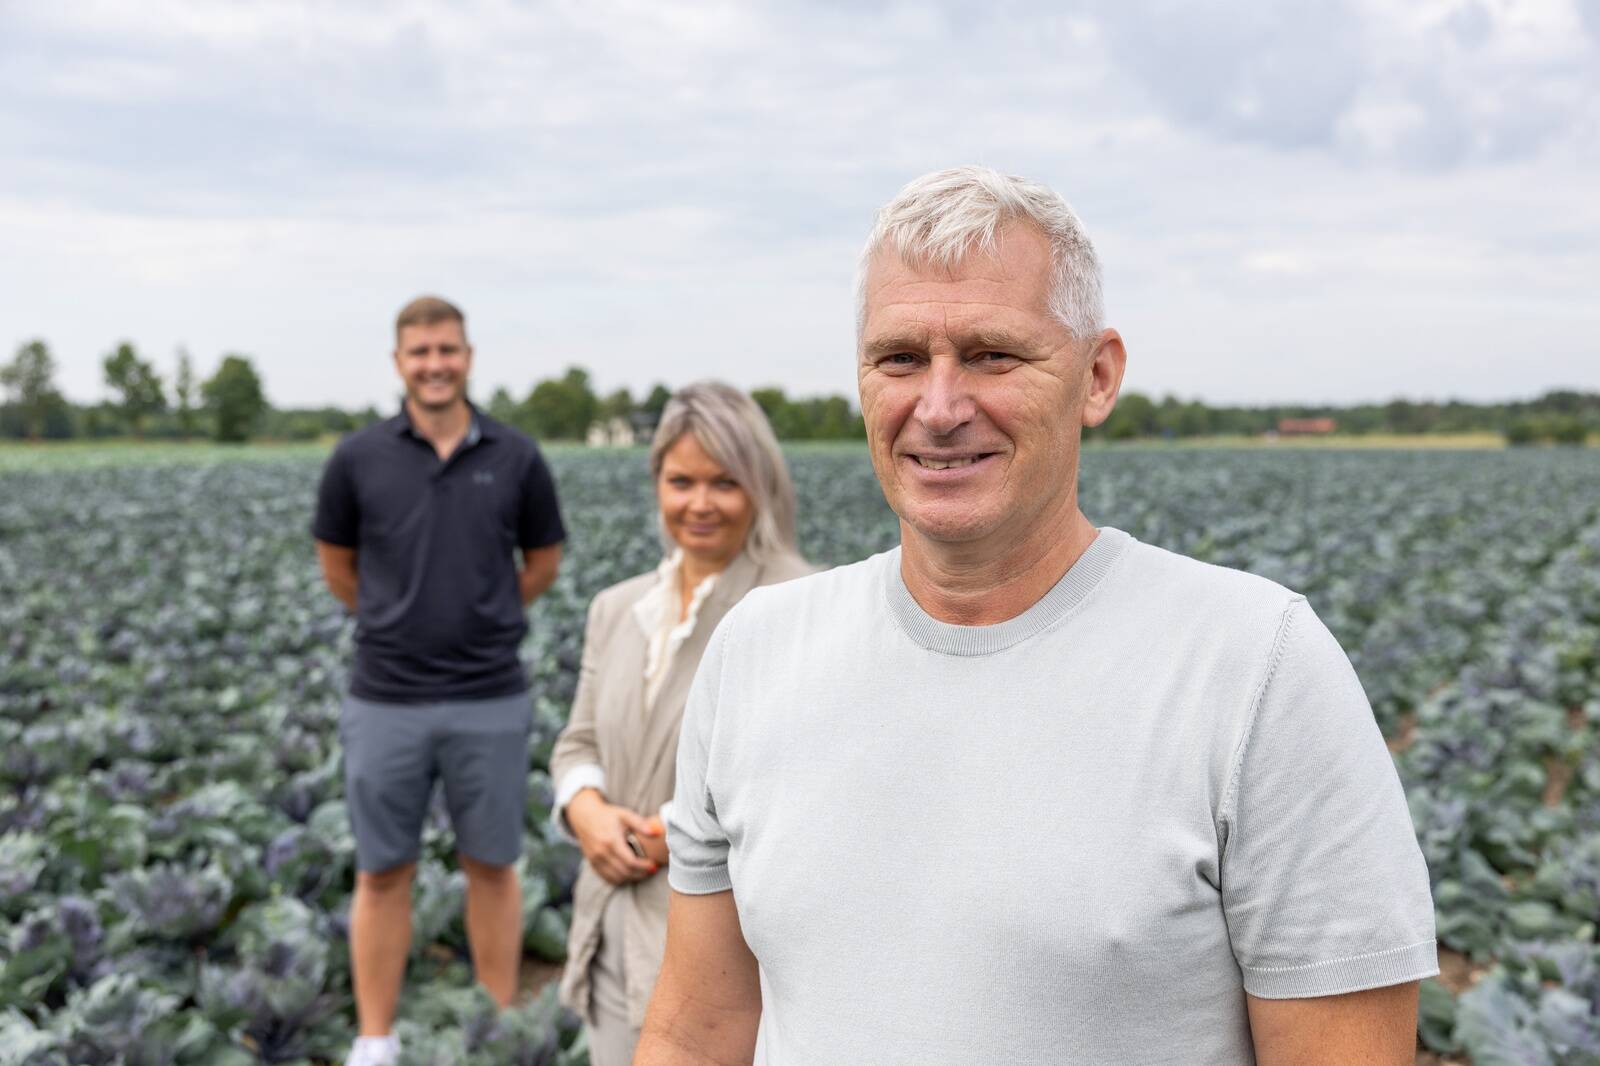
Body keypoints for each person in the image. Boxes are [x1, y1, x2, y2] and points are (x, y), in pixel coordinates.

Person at [638, 167, 1438, 1064]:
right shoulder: (755, 651)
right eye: (900, 358)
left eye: (992, 355)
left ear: (1097, 378)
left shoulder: (1259, 668)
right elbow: (698, 1034)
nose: (938, 408)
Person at [311, 295, 566, 1066]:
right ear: (399, 363)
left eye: (447, 350)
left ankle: (493, 1021)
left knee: (492, 864)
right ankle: (375, 1038)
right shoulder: (358, 460)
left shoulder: (516, 457)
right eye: (419, 352)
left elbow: (543, 562)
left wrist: (482, 615)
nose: (434, 364)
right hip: (385, 697)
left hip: (491, 694)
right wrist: (400, 620)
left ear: (468, 356)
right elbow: (338, 567)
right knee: (383, 871)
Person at [548, 382, 811, 1066]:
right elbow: (577, 741)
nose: (699, 503)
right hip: (610, 918)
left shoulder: (798, 603)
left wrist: (676, 832)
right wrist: (587, 813)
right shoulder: (617, 607)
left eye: (724, 482)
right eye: (681, 481)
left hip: (724, 948)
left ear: (759, 486)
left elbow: (802, 771)